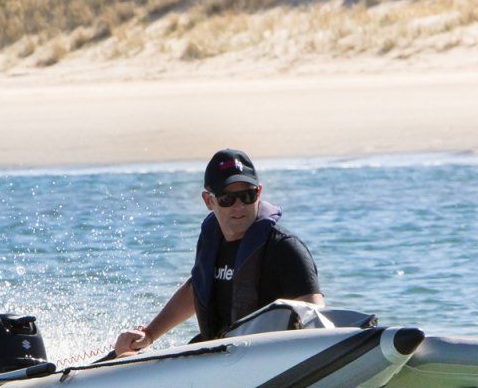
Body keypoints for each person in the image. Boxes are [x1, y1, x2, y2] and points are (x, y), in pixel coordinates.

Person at [113, 149, 324, 356]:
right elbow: (196, 289)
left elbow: (316, 318)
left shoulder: (286, 249)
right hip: (218, 359)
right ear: (209, 201)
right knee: (126, 355)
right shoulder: (212, 242)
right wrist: (149, 335)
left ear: (258, 193)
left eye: (247, 195)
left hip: (266, 361)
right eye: (227, 199)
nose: (239, 206)